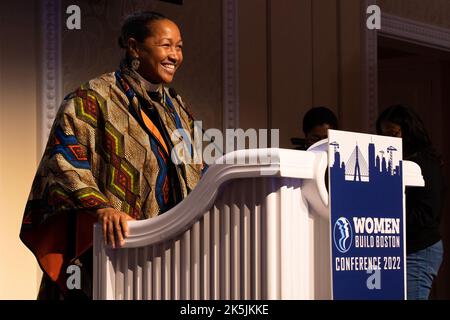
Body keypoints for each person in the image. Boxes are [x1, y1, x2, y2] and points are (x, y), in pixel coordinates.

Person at [19, 11, 203, 299]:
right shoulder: (93, 99)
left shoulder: (178, 111)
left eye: (179, 47)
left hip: (167, 256)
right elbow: (63, 161)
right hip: (107, 253)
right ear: (134, 47)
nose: (175, 55)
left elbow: (197, 172)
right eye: (166, 45)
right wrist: (101, 207)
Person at [376, 104, 444, 300]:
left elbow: (426, 213)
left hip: (419, 250)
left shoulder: (425, 164)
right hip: (404, 249)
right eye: (384, 136)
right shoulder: (397, 163)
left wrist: (387, 215)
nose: (388, 141)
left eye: (393, 134)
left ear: (410, 131)